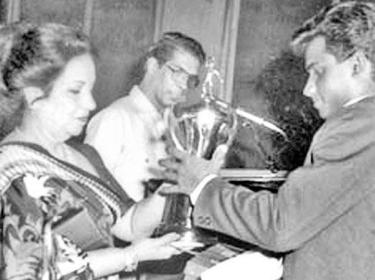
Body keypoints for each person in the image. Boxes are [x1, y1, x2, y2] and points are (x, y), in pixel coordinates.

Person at [160, 1, 375, 280]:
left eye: (318, 71)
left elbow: (281, 225)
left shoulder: (357, 125)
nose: (308, 89)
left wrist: (202, 185)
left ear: (357, 65)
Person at [0, 22, 182, 280]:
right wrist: (128, 257)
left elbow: (128, 223)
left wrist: (175, 189)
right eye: (75, 91)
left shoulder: (85, 155)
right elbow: (29, 273)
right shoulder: (13, 171)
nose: (91, 103)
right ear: (34, 96)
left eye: (90, 89)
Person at [84, 32, 206, 201]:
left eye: (190, 80)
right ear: (152, 66)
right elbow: (87, 194)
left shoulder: (174, 129)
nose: (184, 86)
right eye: (179, 73)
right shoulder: (115, 119)